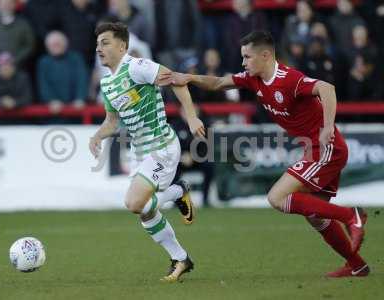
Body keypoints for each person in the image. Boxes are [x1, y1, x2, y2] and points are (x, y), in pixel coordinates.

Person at [168, 31, 369, 278]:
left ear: (265, 55)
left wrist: (328, 126)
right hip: (314, 149)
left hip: (327, 149)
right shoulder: (253, 79)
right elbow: (219, 82)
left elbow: (326, 88)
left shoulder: (288, 78)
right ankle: (357, 265)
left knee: (277, 197)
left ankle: (352, 215)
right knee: (315, 216)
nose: (243, 63)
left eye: (247, 57)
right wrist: (188, 77)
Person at [89, 22, 205, 282]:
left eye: (105, 43)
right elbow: (112, 121)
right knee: (144, 211)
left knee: (134, 203)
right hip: (140, 153)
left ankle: (177, 191)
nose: (99, 48)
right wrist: (97, 136)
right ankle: (180, 258)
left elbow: (176, 79)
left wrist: (191, 117)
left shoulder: (138, 67)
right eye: (97, 44)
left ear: (122, 45)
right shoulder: (108, 83)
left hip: (162, 146)